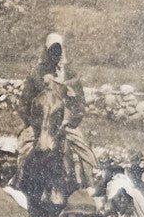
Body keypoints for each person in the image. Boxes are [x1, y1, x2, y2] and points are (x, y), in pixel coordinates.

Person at [18, 33, 97, 188]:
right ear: (46, 51)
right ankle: (17, 182)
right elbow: (24, 103)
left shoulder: (70, 75)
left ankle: (89, 186)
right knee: (22, 149)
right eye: (51, 50)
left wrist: (70, 121)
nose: (55, 55)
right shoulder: (36, 74)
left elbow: (80, 104)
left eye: (58, 50)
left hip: (65, 124)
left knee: (85, 153)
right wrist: (34, 122)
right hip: (40, 125)